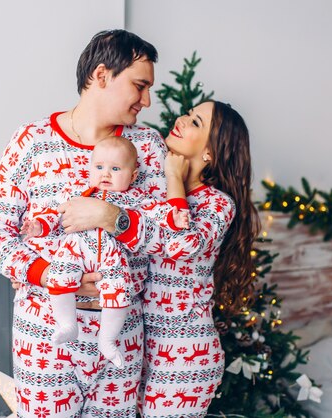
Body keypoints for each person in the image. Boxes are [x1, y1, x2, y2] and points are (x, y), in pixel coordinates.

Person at [0, 29, 167, 417]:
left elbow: (168, 239)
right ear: (100, 76)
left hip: (122, 342)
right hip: (44, 340)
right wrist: (47, 273)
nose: (146, 100)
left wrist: (111, 216)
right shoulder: (31, 142)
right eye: (139, 85)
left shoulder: (148, 147)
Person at [116, 100, 260, 417]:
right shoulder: (153, 189)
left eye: (196, 122)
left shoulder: (218, 204)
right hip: (141, 344)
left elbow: (181, 243)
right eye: (189, 113)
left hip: (186, 354)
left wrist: (174, 179)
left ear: (210, 151)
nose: (182, 119)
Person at [20, 136, 188, 368]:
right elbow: (55, 214)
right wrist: (39, 226)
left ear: (133, 175)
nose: (105, 174)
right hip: (75, 248)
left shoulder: (136, 198)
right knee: (59, 275)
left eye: (115, 168)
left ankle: (107, 340)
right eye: (99, 167)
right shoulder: (78, 193)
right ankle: (67, 324)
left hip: (112, 255)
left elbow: (159, 213)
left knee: (119, 289)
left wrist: (175, 217)